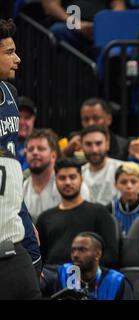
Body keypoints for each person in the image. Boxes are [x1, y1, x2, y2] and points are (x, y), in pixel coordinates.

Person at [0, 18, 41, 299]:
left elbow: (12, 165)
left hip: (12, 208)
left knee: (34, 272)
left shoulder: (11, 93)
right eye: (9, 52)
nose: (18, 58)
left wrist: (24, 216)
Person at [36, 157, 119, 268]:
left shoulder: (99, 213)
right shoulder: (44, 218)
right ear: (55, 180)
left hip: (88, 278)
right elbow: (38, 257)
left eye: (72, 177)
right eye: (62, 178)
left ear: (81, 178)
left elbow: (111, 254)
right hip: (53, 278)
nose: (67, 182)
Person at [23, 128, 90, 222]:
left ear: (53, 155)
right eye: (30, 149)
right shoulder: (21, 188)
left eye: (41, 149)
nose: (35, 152)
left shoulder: (74, 186)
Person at [41, 232, 133, 300]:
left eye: (82, 250)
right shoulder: (63, 273)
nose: (75, 255)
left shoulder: (117, 281)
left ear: (97, 254)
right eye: (73, 250)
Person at [61, 98, 129, 161]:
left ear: (109, 119)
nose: (91, 123)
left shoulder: (124, 146)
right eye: (86, 119)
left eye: (96, 118)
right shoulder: (73, 141)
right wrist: (67, 152)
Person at [81, 125, 123, 206]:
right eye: (88, 144)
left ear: (107, 144)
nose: (94, 150)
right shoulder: (78, 174)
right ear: (81, 145)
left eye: (98, 143)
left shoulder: (123, 169)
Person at [106, 162, 139, 236]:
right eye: (123, 182)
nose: (129, 186)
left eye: (133, 182)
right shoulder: (110, 209)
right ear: (115, 185)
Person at [16, 96, 37, 171]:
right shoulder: (3, 144)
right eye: (18, 117)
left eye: (27, 117)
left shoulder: (43, 142)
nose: (22, 122)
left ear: (33, 119)